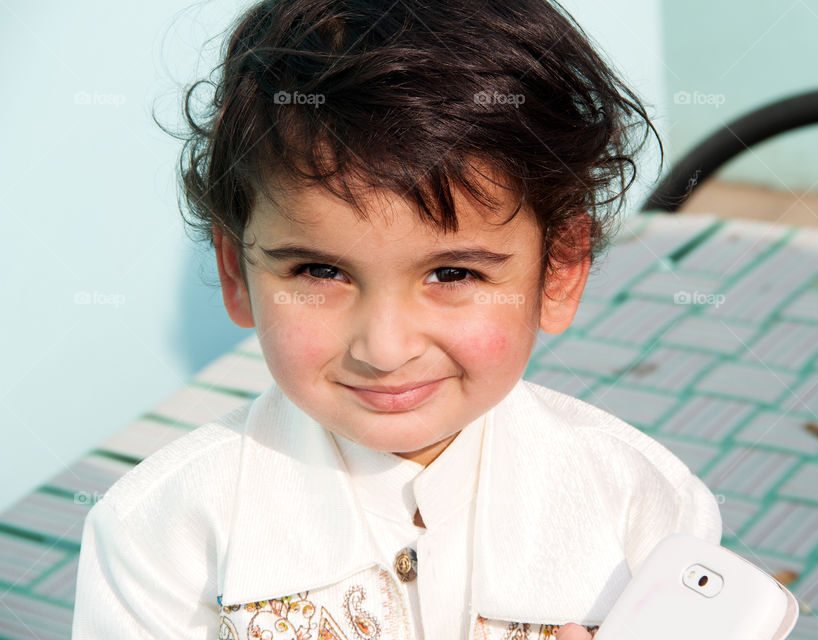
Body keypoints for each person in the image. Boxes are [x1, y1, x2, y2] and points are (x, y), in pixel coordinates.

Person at [71, 0, 722, 638]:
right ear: (236, 272)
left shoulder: (645, 507)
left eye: (453, 274)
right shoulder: (159, 535)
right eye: (320, 272)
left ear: (558, 271)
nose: (384, 348)